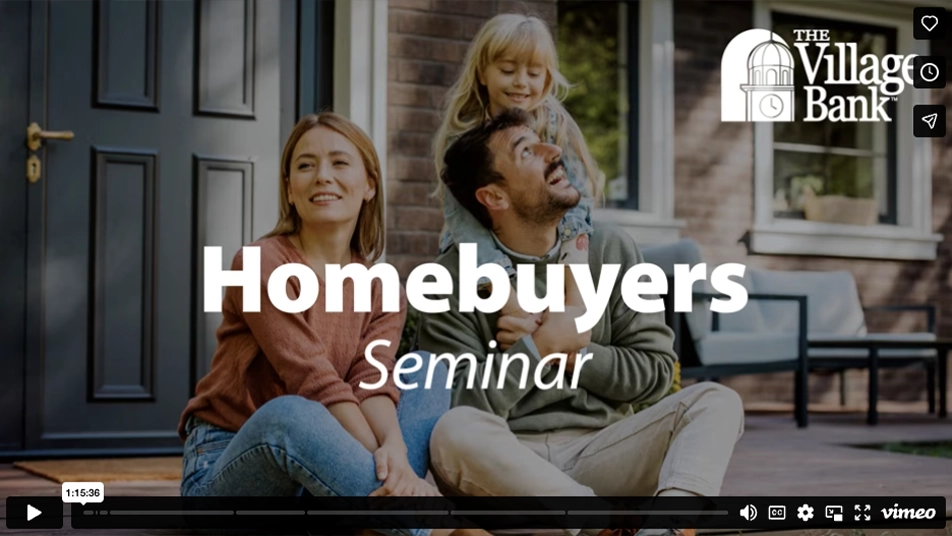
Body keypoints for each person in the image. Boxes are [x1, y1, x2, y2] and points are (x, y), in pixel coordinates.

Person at [419, 108, 746, 536]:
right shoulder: (453, 277)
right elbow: (458, 402)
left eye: (544, 141)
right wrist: (538, 349)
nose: (553, 151)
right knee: (452, 430)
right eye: (527, 152)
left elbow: (656, 371)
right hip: (507, 467)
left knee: (716, 402)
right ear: (493, 197)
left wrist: (576, 353)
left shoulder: (610, 249)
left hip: (604, 449)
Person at [178, 112, 486, 536]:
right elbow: (313, 381)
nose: (322, 176)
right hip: (231, 473)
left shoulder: (380, 284)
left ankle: (379, 514)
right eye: (305, 165)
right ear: (290, 188)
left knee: (427, 369)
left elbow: (369, 381)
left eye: (340, 163)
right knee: (291, 414)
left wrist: (394, 449)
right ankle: (433, 527)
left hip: (324, 477)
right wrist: (394, 467)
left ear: (369, 184)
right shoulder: (260, 263)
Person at [432, 13, 600, 322]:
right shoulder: (464, 136)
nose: (521, 82)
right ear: (482, 72)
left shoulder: (555, 125)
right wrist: (511, 305)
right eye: (508, 70)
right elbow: (465, 228)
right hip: (481, 250)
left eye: (534, 73)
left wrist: (574, 301)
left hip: (550, 247)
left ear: (547, 79)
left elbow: (575, 204)